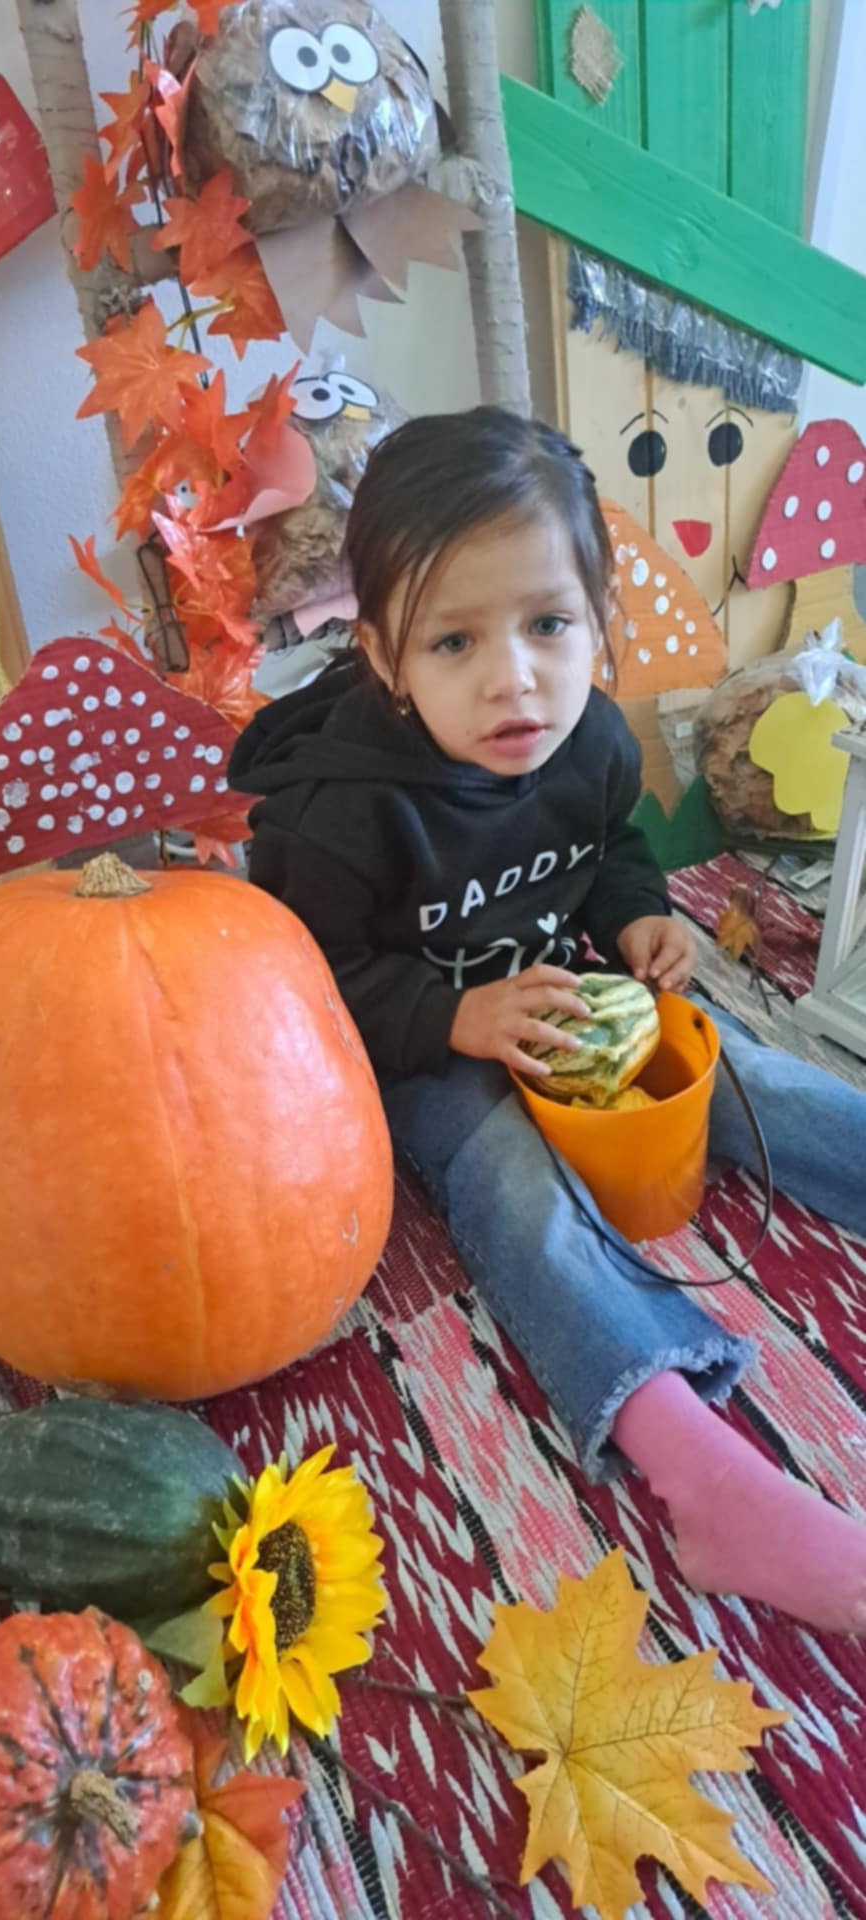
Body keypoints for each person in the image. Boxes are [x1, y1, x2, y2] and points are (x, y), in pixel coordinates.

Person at [230, 408, 866, 1635]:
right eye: (454, 640)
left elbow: (608, 851)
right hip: (421, 1052)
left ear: (597, 617)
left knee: (743, 1073)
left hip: (569, 993)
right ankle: (700, 1472)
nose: (513, 677)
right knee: (518, 1190)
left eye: (548, 625)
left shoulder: (590, 743)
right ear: (384, 656)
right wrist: (454, 1015)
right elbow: (307, 992)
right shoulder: (335, 820)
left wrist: (636, 920)